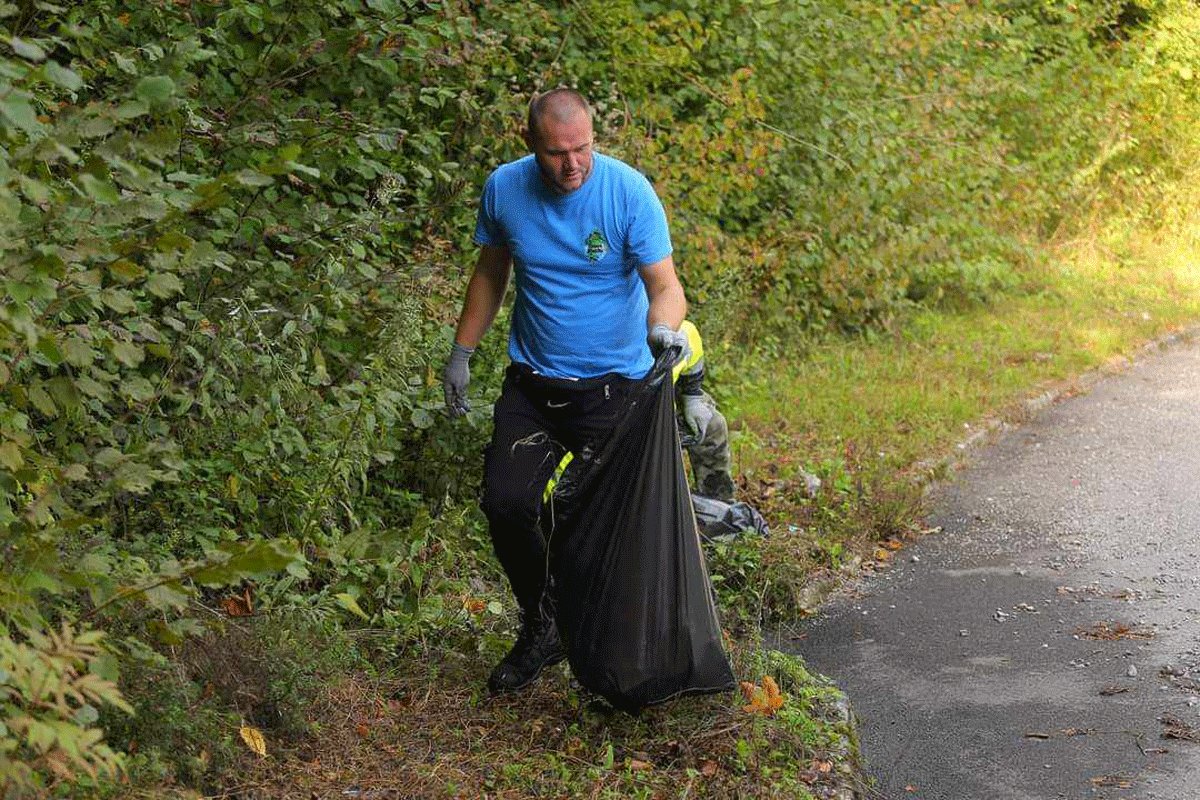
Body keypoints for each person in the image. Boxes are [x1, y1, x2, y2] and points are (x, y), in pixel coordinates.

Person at [442, 88, 690, 694]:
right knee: (506, 503)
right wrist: (461, 352)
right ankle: (543, 624)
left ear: (593, 141)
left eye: (581, 149)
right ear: (530, 144)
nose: (571, 165)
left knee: (602, 526)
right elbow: (491, 272)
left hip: (614, 390)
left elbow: (666, 285)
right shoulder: (505, 188)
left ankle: (618, 655)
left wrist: (663, 331)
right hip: (534, 385)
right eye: (556, 153)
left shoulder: (628, 192)